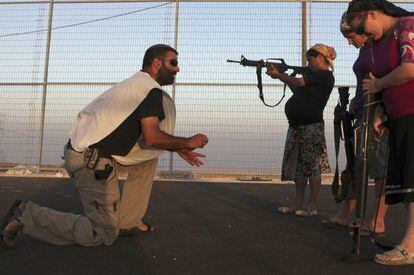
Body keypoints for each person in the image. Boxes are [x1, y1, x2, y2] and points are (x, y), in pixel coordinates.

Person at [0, 44, 209, 247]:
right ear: (156, 63)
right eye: (173, 63)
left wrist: (176, 146)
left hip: (95, 155)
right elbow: (151, 137)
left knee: (146, 161)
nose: (178, 69)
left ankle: (128, 221)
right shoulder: (150, 91)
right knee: (101, 233)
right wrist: (188, 141)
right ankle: (25, 216)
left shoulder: (134, 85)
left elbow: (141, 137)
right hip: (89, 162)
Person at [346, 0, 414, 265]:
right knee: (408, 179)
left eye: (362, 27)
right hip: (398, 115)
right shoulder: (381, 40)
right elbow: (381, 83)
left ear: (372, 13)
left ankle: (410, 245)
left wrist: (379, 83)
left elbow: (410, 68)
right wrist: (379, 113)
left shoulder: (407, 26)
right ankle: (410, 242)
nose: (363, 35)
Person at [322, 12, 388, 236]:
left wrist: (382, 112)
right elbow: (365, 81)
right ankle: (346, 214)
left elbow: (386, 79)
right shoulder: (365, 50)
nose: (349, 42)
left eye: (350, 36)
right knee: (356, 163)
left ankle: (377, 221)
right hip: (361, 111)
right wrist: (354, 102)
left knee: (378, 166)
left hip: (376, 112)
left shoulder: (380, 47)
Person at [267, 43, 336, 217]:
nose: (309, 64)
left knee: (312, 167)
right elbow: (298, 89)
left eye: (311, 60)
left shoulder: (325, 76)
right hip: (297, 125)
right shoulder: (313, 76)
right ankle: (298, 203)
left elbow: (299, 81)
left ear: (321, 58)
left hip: (311, 125)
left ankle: (311, 207)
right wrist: (284, 78)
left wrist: (280, 75)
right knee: (299, 166)